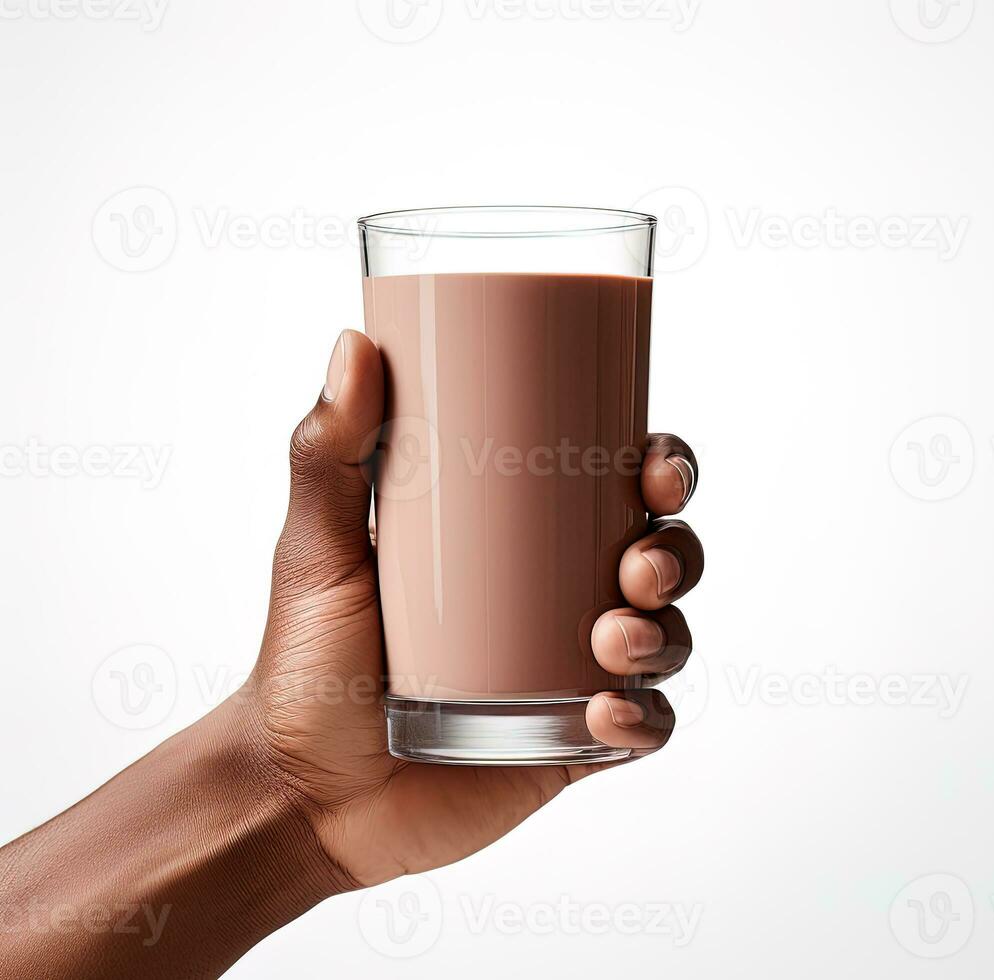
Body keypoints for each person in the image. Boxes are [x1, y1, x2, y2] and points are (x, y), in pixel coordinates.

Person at [0, 331, 703, 978]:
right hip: (408, 727)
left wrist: (300, 801)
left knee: (641, 591)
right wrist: (295, 792)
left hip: (484, 729)